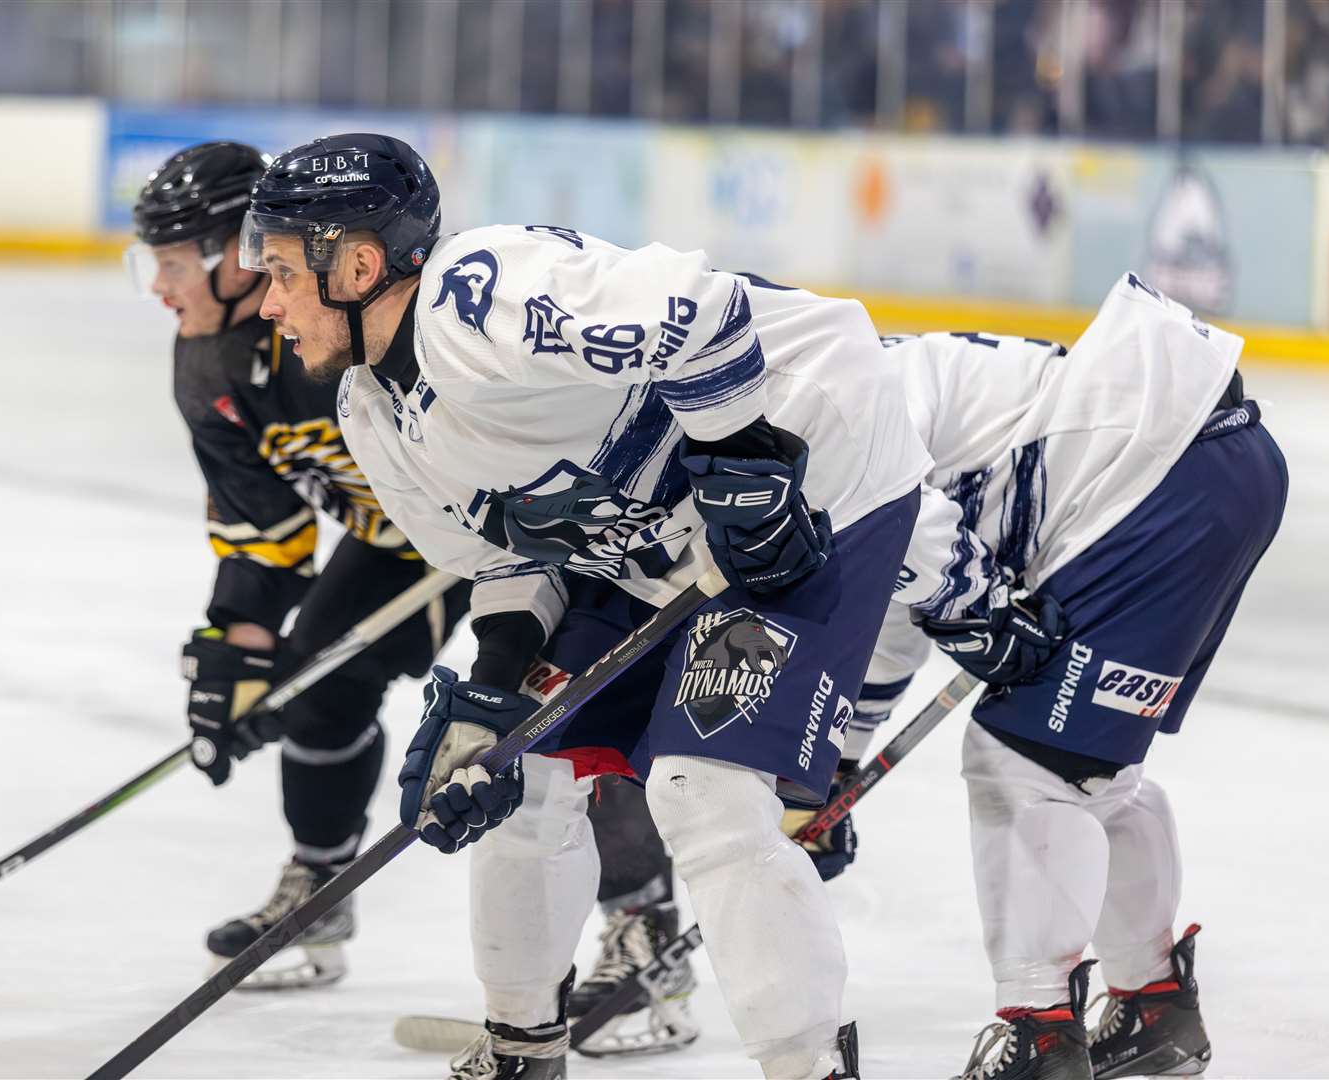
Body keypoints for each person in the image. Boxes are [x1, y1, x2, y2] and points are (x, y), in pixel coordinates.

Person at [239, 132, 934, 1080]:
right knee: (519, 774)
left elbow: (702, 310)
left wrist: (746, 460)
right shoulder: (371, 411)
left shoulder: (480, 295)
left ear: (358, 264)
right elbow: (500, 564)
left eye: (280, 271)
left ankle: (810, 1069)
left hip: (821, 473)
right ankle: (524, 1048)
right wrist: (492, 696)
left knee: (707, 794)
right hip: (660, 544)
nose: (267, 301)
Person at [850, 278, 1285, 1078]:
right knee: (1093, 773)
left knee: (1024, 766)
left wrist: (972, 609)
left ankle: (1036, 1034)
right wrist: (837, 763)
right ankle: (1155, 1010)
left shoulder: (831, 418)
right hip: (1219, 468)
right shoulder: (844, 389)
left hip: (1161, 481)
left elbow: (903, 534)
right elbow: (891, 599)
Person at [128, 141, 469, 988]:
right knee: (313, 691)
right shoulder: (207, 359)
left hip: (506, 532)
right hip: (399, 539)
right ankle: (320, 893)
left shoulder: (347, 328)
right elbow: (261, 525)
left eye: (173, 262)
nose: (160, 287)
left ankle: (641, 919)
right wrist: (239, 651)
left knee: (568, 718)